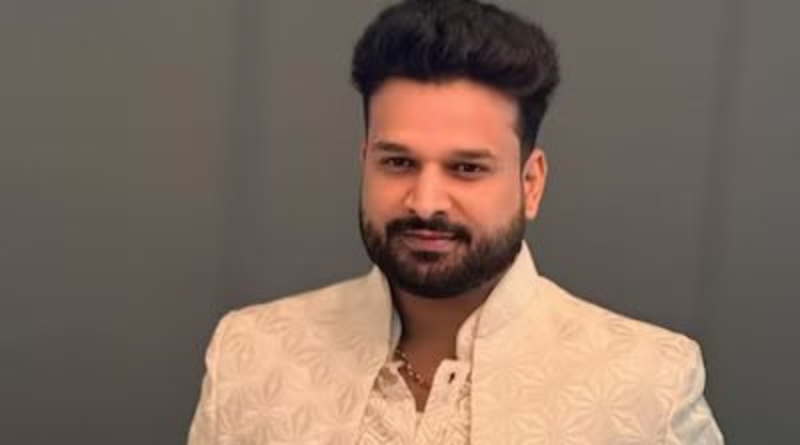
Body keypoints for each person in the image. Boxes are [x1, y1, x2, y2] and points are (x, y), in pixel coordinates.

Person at [187, 0, 724, 443]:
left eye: (467, 168)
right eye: (398, 162)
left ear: (530, 183)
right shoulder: (252, 354)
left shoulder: (649, 386)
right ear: (364, 162)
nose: (426, 203)